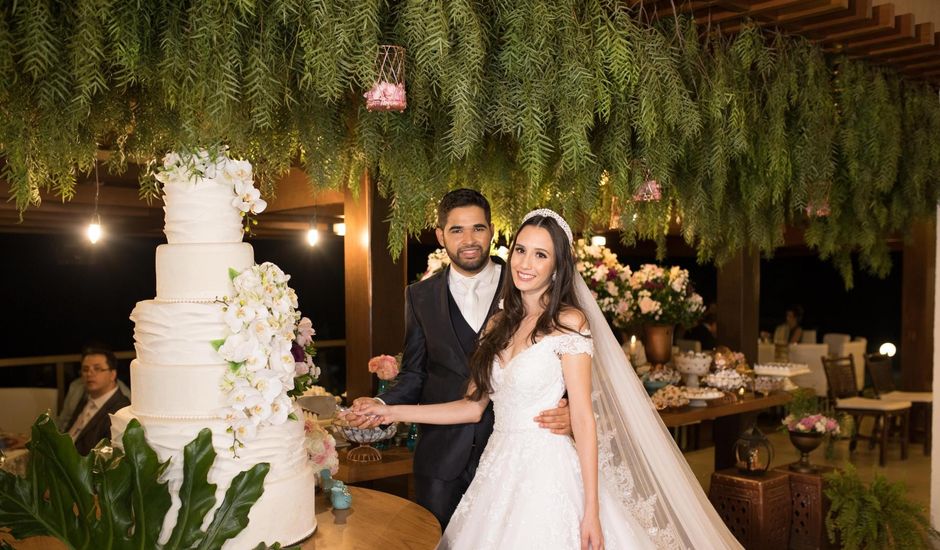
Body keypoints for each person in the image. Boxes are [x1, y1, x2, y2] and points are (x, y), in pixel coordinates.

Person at [352, 210, 741, 549]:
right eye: (520, 250)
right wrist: (390, 411)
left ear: (557, 266)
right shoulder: (496, 325)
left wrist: (591, 511)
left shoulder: (570, 324)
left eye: (541, 255)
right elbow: (471, 408)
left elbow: (585, 419)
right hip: (499, 471)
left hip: (550, 472)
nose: (525, 263)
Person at [345, 189, 571, 529]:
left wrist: (566, 406)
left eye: (478, 228)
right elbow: (414, 374)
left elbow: (565, 356)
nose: (469, 239)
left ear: (492, 230)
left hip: (519, 459)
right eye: (456, 230)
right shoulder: (419, 296)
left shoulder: (527, 280)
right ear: (440, 236)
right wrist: (380, 403)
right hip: (440, 458)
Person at [63, 345, 130, 455]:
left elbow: (108, 457)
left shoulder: (120, 410)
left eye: (97, 369)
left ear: (113, 374)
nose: (89, 374)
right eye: (85, 369)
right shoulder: (86, 398)